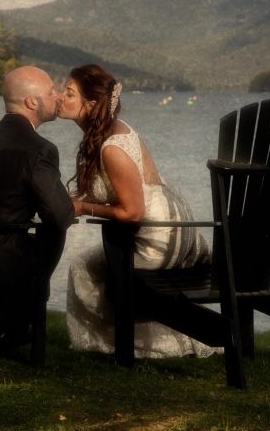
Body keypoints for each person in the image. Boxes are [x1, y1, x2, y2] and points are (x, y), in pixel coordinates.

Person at [57, 64, 216, 358]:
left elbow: (131, 212)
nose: (58, 97)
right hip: (174, 228)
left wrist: (82, 207)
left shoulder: (111, 148)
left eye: (68, 93)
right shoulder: (115, 129)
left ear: (91, 105)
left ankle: (123, 346)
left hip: (156, 240)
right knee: (94, 264)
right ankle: (133, 341)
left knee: (84, 267)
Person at [0, 65, 75, 354]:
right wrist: (77, 204)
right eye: (50, 91)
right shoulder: (40, 148)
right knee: (54, 229)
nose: (57, 96)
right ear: (32, 102)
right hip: (1, 264)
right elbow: (60, 215)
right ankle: (25, 314)